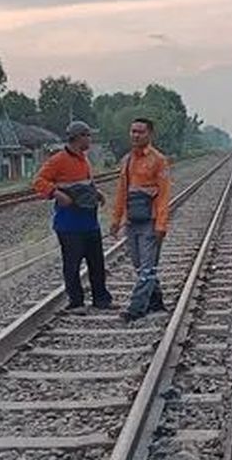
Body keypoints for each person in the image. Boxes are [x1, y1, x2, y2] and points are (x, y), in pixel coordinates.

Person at [32, 121, 113, 310]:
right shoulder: (58, 160)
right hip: (69, 224)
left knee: (97, 263)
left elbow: (85, 183)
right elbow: (38, 181)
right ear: (78, 137)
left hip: (90, 223)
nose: (90, 139)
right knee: (72, 264)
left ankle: (101, 299)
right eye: (87, 135)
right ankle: (76, 302)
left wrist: (97, 192)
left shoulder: (84, 159)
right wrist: (56, 194)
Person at [111, 118, 172, 322]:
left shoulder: (158, 160)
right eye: (133, 131)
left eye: (140, 132)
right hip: (132, 221)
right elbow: (121, 192)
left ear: (149, 134)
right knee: (139, 266)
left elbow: (164, 194)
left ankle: (136, 309)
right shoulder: (126, 160)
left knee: (146, 267)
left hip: (150, 221)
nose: (135, 135)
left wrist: (161, 225)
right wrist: (116, 219)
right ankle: (156, 302)